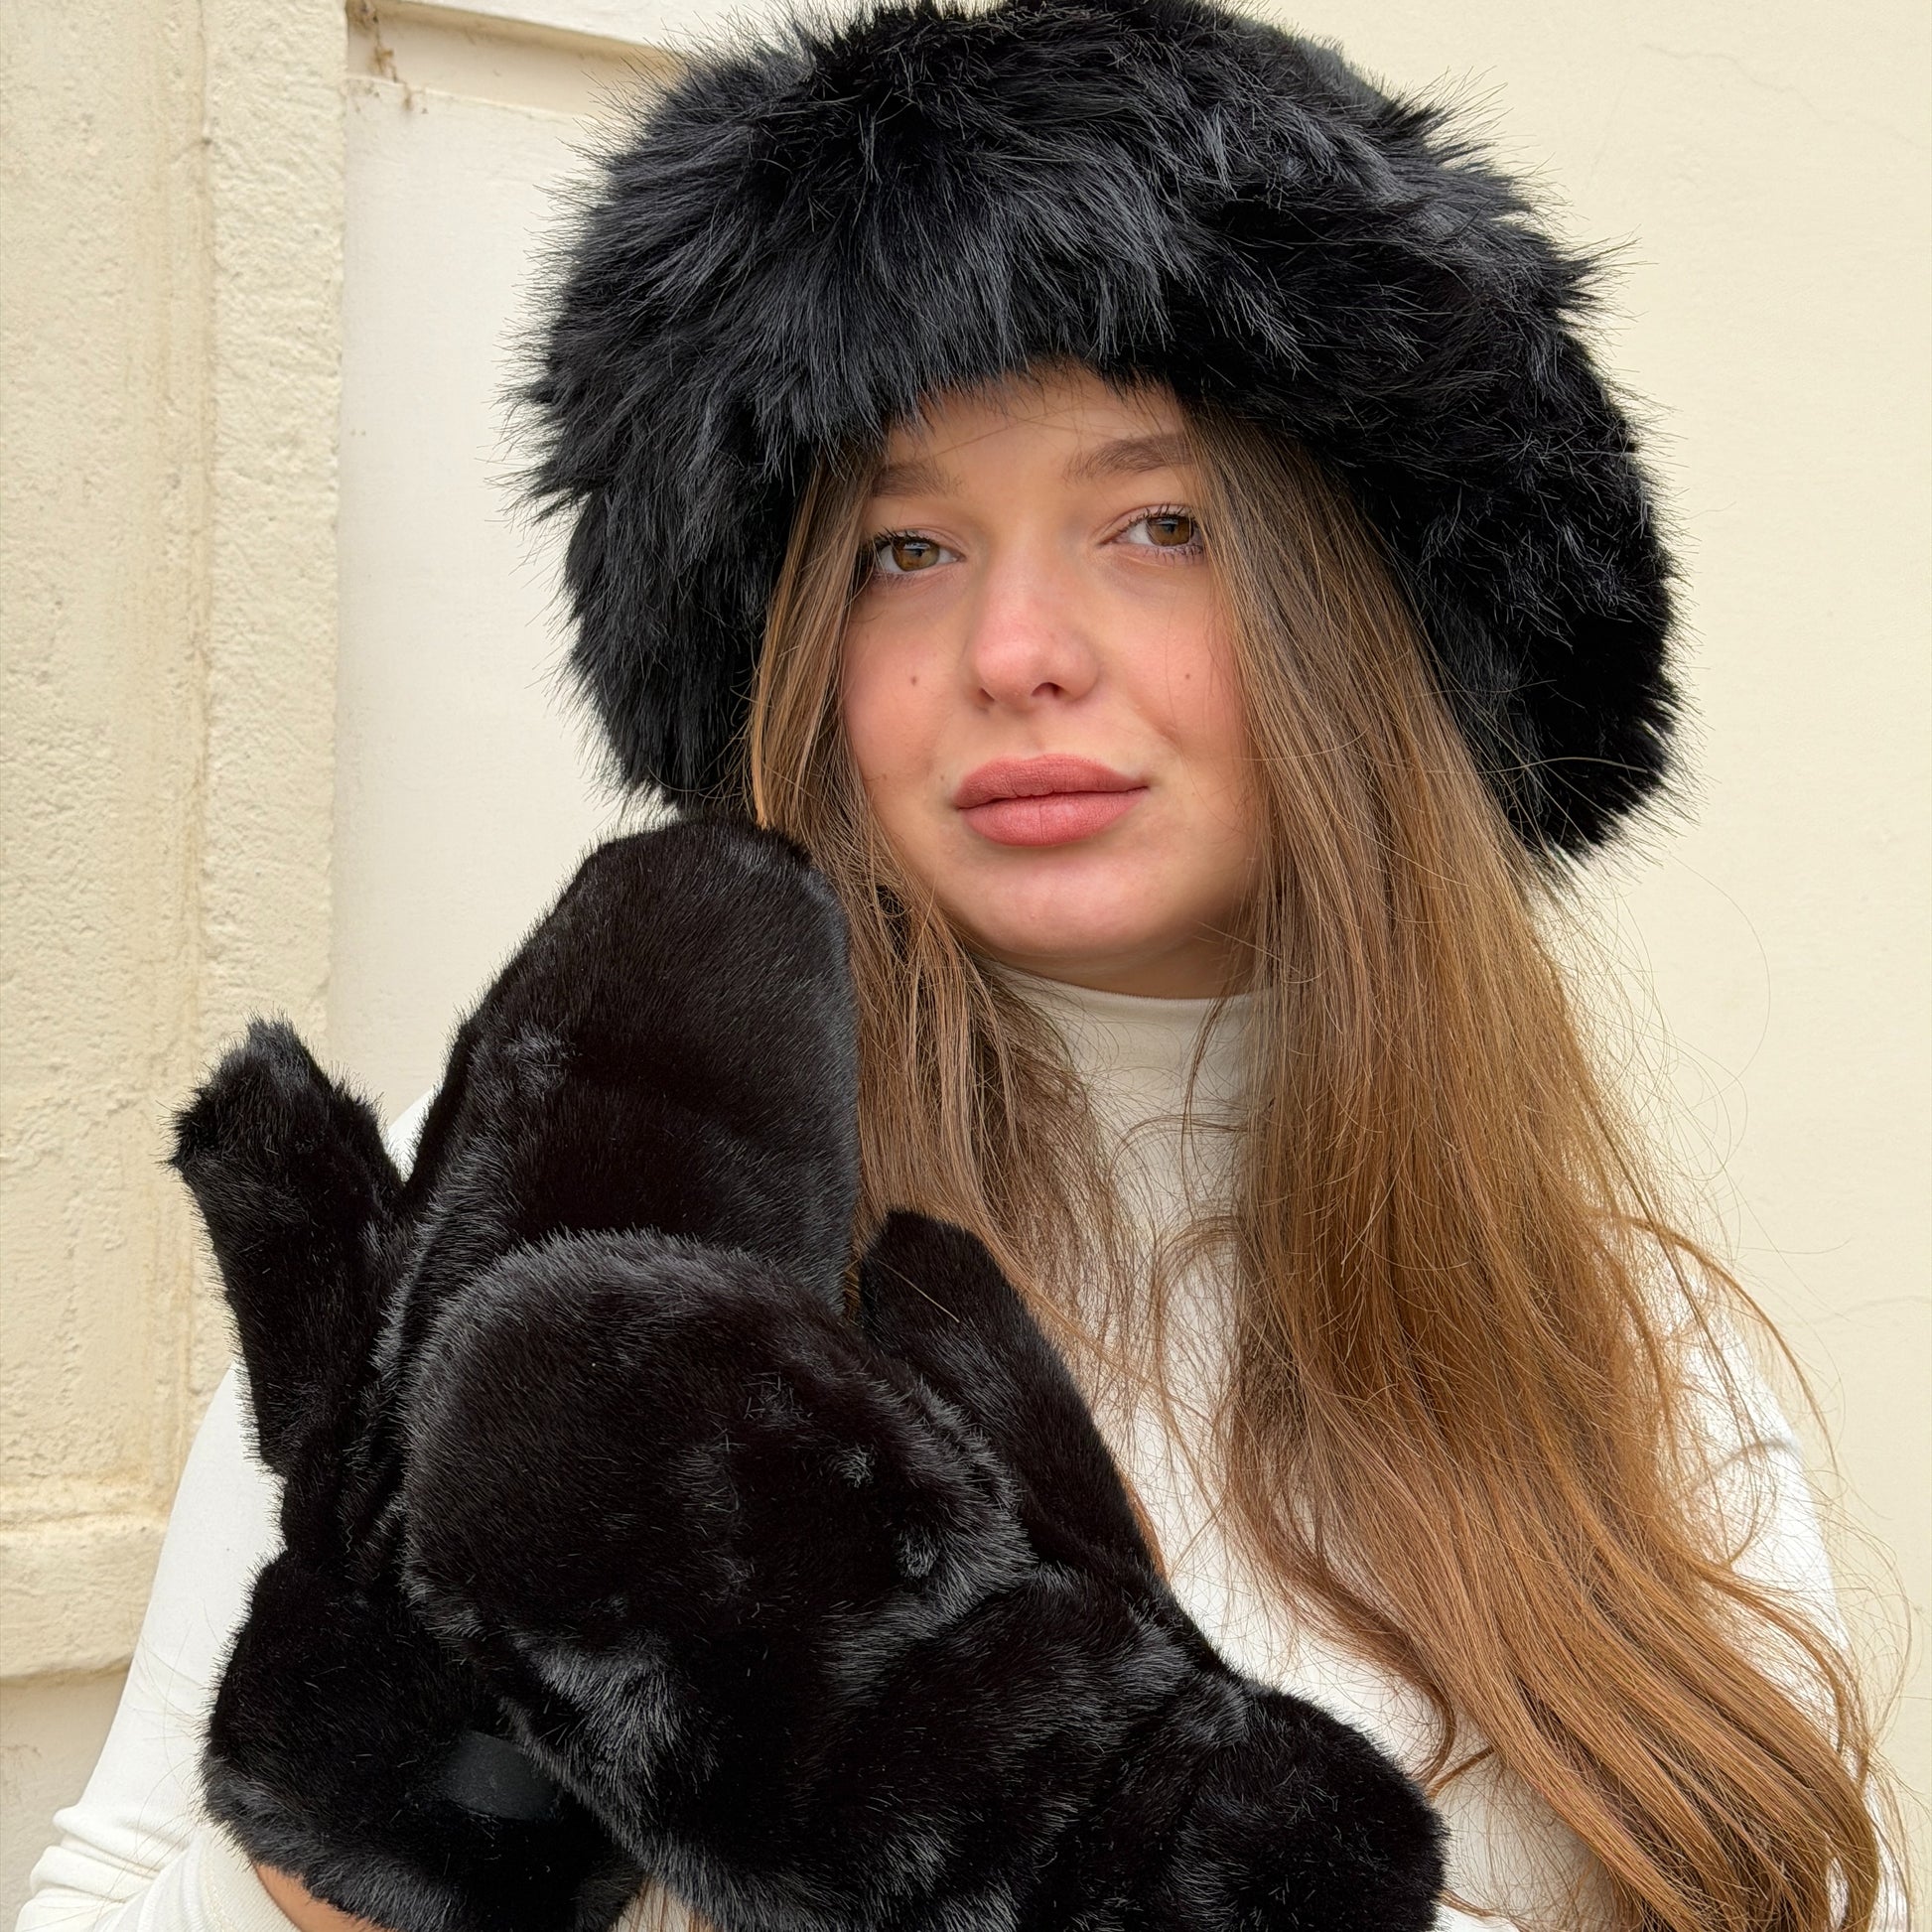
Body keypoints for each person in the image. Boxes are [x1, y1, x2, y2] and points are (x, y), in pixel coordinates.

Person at [18, 0, 1903, 1928]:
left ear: (1363, 615)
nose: (1016, 652)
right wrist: (379, 1812)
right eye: (906, 549)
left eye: (1155, 523)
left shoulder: (1629, 1354)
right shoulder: (568, 1203)